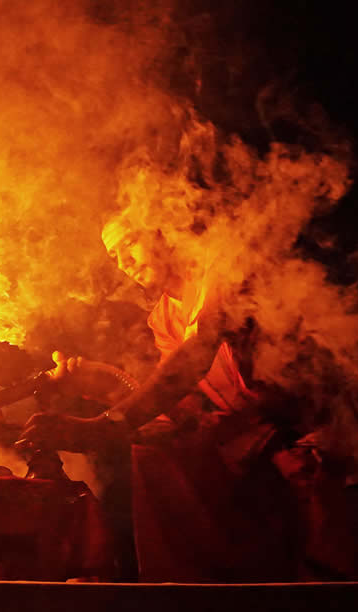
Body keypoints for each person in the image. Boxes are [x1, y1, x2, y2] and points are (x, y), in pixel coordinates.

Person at [18, 207, 300, 582]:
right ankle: (179, 591)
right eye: (114, 256)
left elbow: (194, 358)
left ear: (165, 233)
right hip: (237, 443)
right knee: (150, 447)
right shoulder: (164, 318)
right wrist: (103, 385)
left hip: (295, 425)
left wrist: (102, 427)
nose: (124, 263)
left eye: (130, 243)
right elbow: (182, 411)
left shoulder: (220, 271)